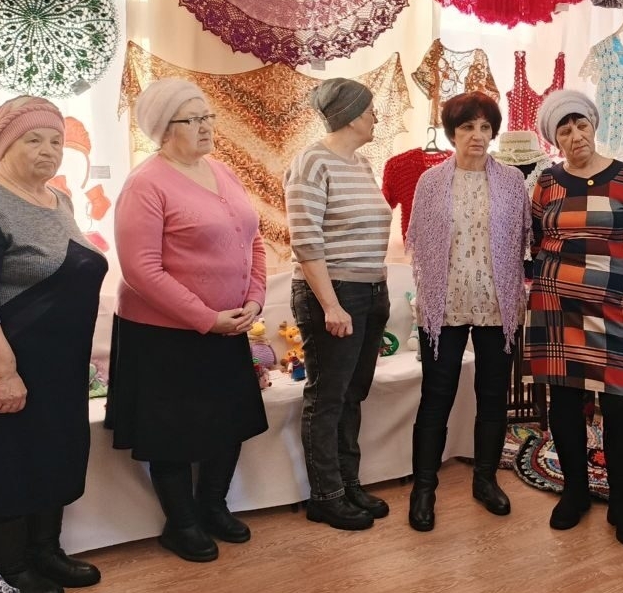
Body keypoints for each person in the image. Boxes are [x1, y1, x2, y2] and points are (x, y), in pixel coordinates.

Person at [0, 96, 108, 593]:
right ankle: (11, 568)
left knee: (53, 455)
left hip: (58, 367)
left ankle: (45, 551)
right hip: (4, 368)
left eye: (56, 140)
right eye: (33, 139)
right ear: (3, 145)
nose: (48, 150)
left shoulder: (58, 200)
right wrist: (3, 372)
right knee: (5, 463)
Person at [106, 78, 269, 563]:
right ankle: (181, 524)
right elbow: (140, 270)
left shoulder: (222, 170)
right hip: (163, 336)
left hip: (228, 326)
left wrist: (255, 299)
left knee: (229, 423)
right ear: (163, 128)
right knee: (172, 435)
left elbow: (253, 239)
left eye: (207, 117)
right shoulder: (146, 183)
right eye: (192, 119)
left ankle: (213, 507)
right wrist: (205, 317)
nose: (206, 127)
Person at [523, 89, 623, 547]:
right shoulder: (547, 183)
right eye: (564, 130)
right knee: (564, 403)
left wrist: (611, 281)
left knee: (620, 406)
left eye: (581, 124)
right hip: (556, 306)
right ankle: (574, 493)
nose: (575, 135)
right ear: (554, 139)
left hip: (611, 310)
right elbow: (538, 242)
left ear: (593, 125)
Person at [405, 91, 530, 532]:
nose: (477, 135)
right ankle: (423, 489)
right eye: (467, 127)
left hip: (498, 304)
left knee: (493, 396)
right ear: (451, 134)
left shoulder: (513, 181)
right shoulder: (431, 182)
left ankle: (485, 480)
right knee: (436, 396)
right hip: (445, 303)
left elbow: (522, 242)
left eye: (484, 127)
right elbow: (421, 242)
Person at [284, 78, 393, 531]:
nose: (375, 117)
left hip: (371, 290)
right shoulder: (311, 161)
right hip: (334, 294)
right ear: (349, 116)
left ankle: (348, 483)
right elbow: (306, 240)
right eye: (369, 110)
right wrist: (331, 305)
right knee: (328, 396)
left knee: (353, 393)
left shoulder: (361, 164)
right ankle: (325, 496)